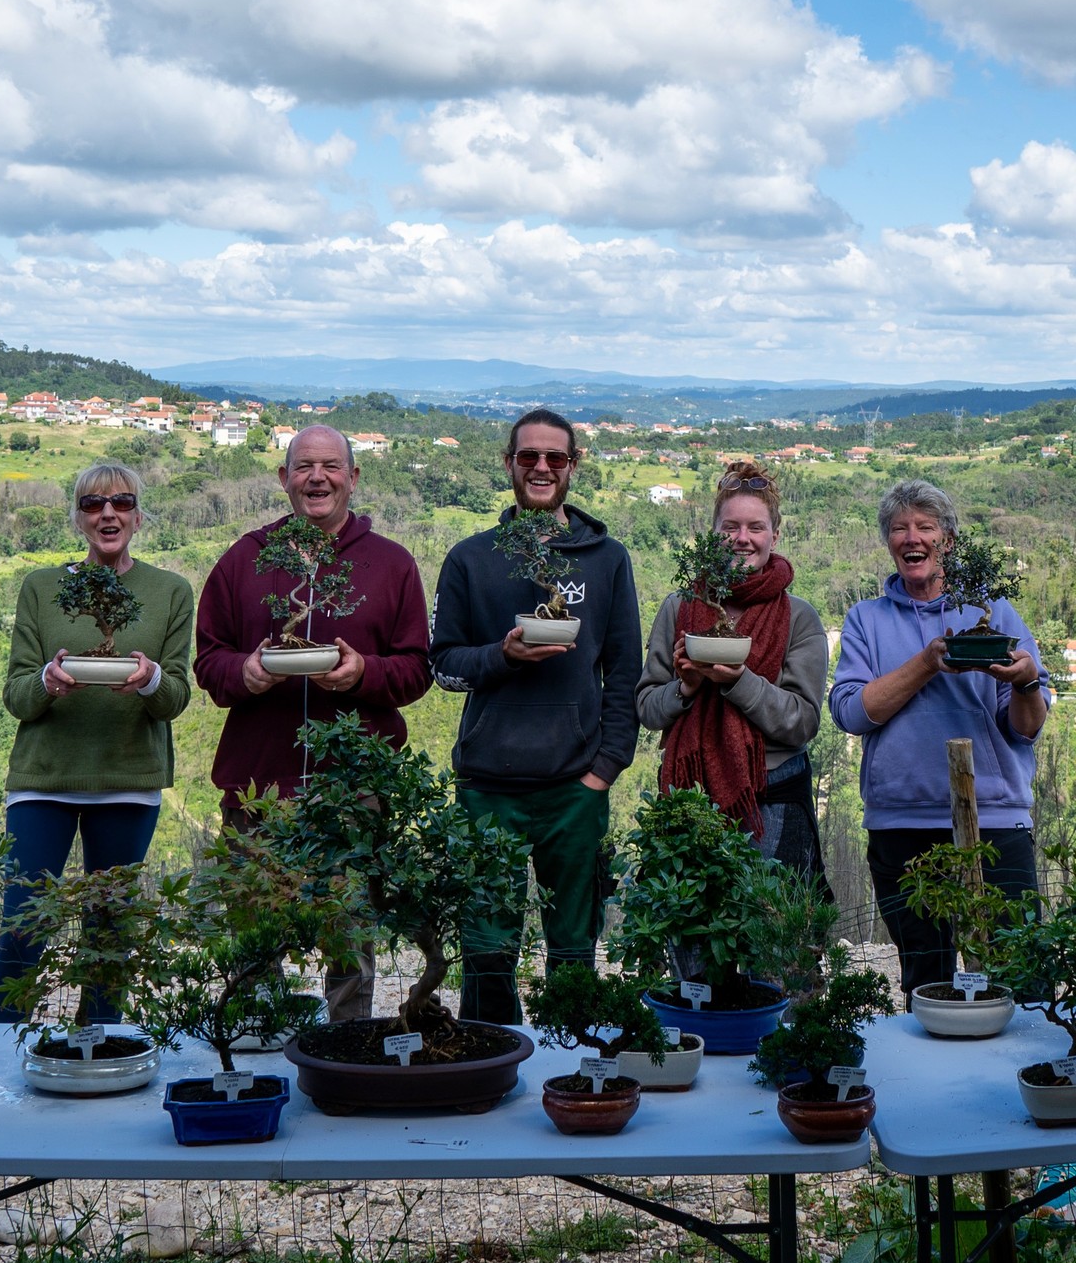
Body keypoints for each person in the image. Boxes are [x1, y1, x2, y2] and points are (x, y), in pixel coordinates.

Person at [194, 424, 431, 1019]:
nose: (316, 478)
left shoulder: (392, 564)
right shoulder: (244, 559)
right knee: (253, 939)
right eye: (303, 467)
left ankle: (347, 1051)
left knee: (350, 941)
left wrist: (362, 675)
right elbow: (207, 657)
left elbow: (417, 668)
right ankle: (253, 1048)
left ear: (353, 477)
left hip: (353, 790)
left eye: (330, 467)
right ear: (284, 479)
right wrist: (243, 673)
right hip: (258, 790)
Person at [429, 408, 642, 1024]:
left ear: (573, 466)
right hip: (487, 788)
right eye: (529, 457)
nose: (542, 467)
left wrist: (605, 768)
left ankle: (571, 1062)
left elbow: (624, 672)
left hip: (574, 788)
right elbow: (443, 665)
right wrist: (504, 654)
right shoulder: (472, 558)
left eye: (556, 457)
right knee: (485, 944)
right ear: (509, 465)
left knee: (574, 944)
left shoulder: (606, 559)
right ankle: (492, 1061)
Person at [0, 463, 193, 1022]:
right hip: (43, 779)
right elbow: (17, 696)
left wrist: (148, 679)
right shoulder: (42, 587)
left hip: (128, 779)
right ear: (78, 517)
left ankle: (99, 1050)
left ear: (138, 515)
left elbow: (174, 698)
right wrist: (47, 682)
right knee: (24, 923)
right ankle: (2, 1055)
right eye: (93, 504)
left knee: (110, 931)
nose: (108, 514)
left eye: (121, 502)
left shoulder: (170, 591)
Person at [828, 479, 1050, 997]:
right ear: (888, 542)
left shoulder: (990, 610)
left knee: (1023, 976)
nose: (912, 538)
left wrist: (1026, 681)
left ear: (947, 539)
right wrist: (927, 663)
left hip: (996, 821)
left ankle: (1031, 1077)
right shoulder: (866, 620)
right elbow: (852, 712)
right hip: (902, 825)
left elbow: (1025, 727)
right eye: (900, 529)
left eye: (925, 527)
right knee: (928, 982)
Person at [636, 462, 831, 887]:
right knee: (695, 944)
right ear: (713, 535)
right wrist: (685, 687)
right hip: (689, 795)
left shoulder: (798, 618)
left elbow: (803, 721)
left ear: (774, 537)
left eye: (755, 528)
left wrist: (737, 681)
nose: (742, 539)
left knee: (772, 941)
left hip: (774, 796)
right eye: (730, 528)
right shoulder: (680, 607)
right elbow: (648, 708)